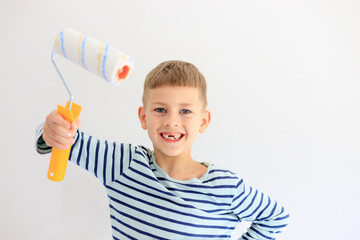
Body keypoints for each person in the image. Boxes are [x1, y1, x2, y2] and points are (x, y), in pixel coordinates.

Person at [36, 60, 289, 239]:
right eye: (160, 110)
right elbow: (59, 139)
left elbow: (275, 217)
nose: (171, 121)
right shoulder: (123, 164)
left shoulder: (225, 187)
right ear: (143, 117)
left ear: (203, 121)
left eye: (185, 111)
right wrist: (53, 130)